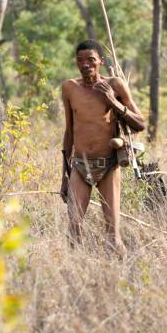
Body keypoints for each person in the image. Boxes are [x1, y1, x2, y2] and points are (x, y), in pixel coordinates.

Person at [60, 40, 145, 256]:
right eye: (80, 61)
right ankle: (76, 272)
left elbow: (140, 123)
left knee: (112, 234)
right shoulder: (70, 87)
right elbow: (69, 131)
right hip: (80, 164)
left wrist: (112, 101)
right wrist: (64, 175)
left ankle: (120, 272)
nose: (85, 65)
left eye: (91, 60)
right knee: (74, 227)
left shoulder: (115, 85)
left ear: (101, 62)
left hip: (108, 165)